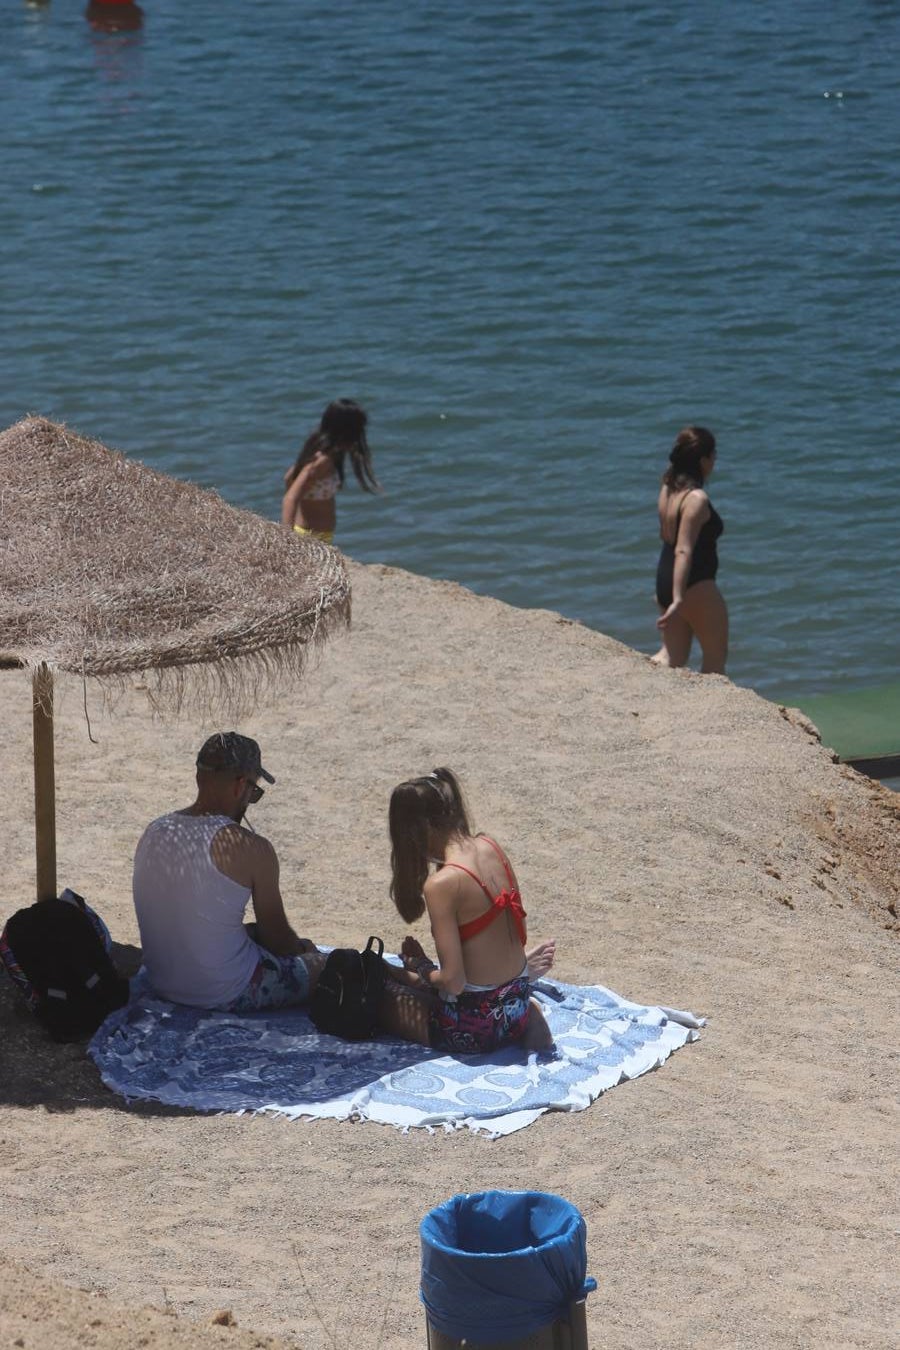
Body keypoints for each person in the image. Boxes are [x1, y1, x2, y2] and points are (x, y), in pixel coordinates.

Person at [132, 732, 324, 1012]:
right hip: (222, 991)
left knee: (247, 934)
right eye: (254, 791)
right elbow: (280, 942)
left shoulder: (155, 830)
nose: (250, 800)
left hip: (163, 983)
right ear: (239, 786)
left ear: (200, 777)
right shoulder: (251, 848)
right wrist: (305, 953)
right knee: (325, 965)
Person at [377, 768, 556, 1054]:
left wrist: (423, 968)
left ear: (417, 830)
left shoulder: (442, 883)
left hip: (475, 1028)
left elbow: (454, 981)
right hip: (517, 1008)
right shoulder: (490, 846)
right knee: (413, 978)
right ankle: (525, 1015)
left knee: (378, 996)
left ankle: (402, 976)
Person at [652, 425, 728, 674]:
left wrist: (671, 596)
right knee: (715, 662)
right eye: (713, 454)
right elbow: (683, 550)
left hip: (664, 577)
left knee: (670, 657)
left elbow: (669, 540)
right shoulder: (696, 499)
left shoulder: (668, 488)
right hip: (693, 584)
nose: (715, 459)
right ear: (704, 459)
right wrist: (679, 598)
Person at [281, 398, 379, 545]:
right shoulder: (322, 461)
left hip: (314, 535)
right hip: (311, 537)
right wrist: (285, 541)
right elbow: (290, 499)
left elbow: (288, 477)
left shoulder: (322, 451)